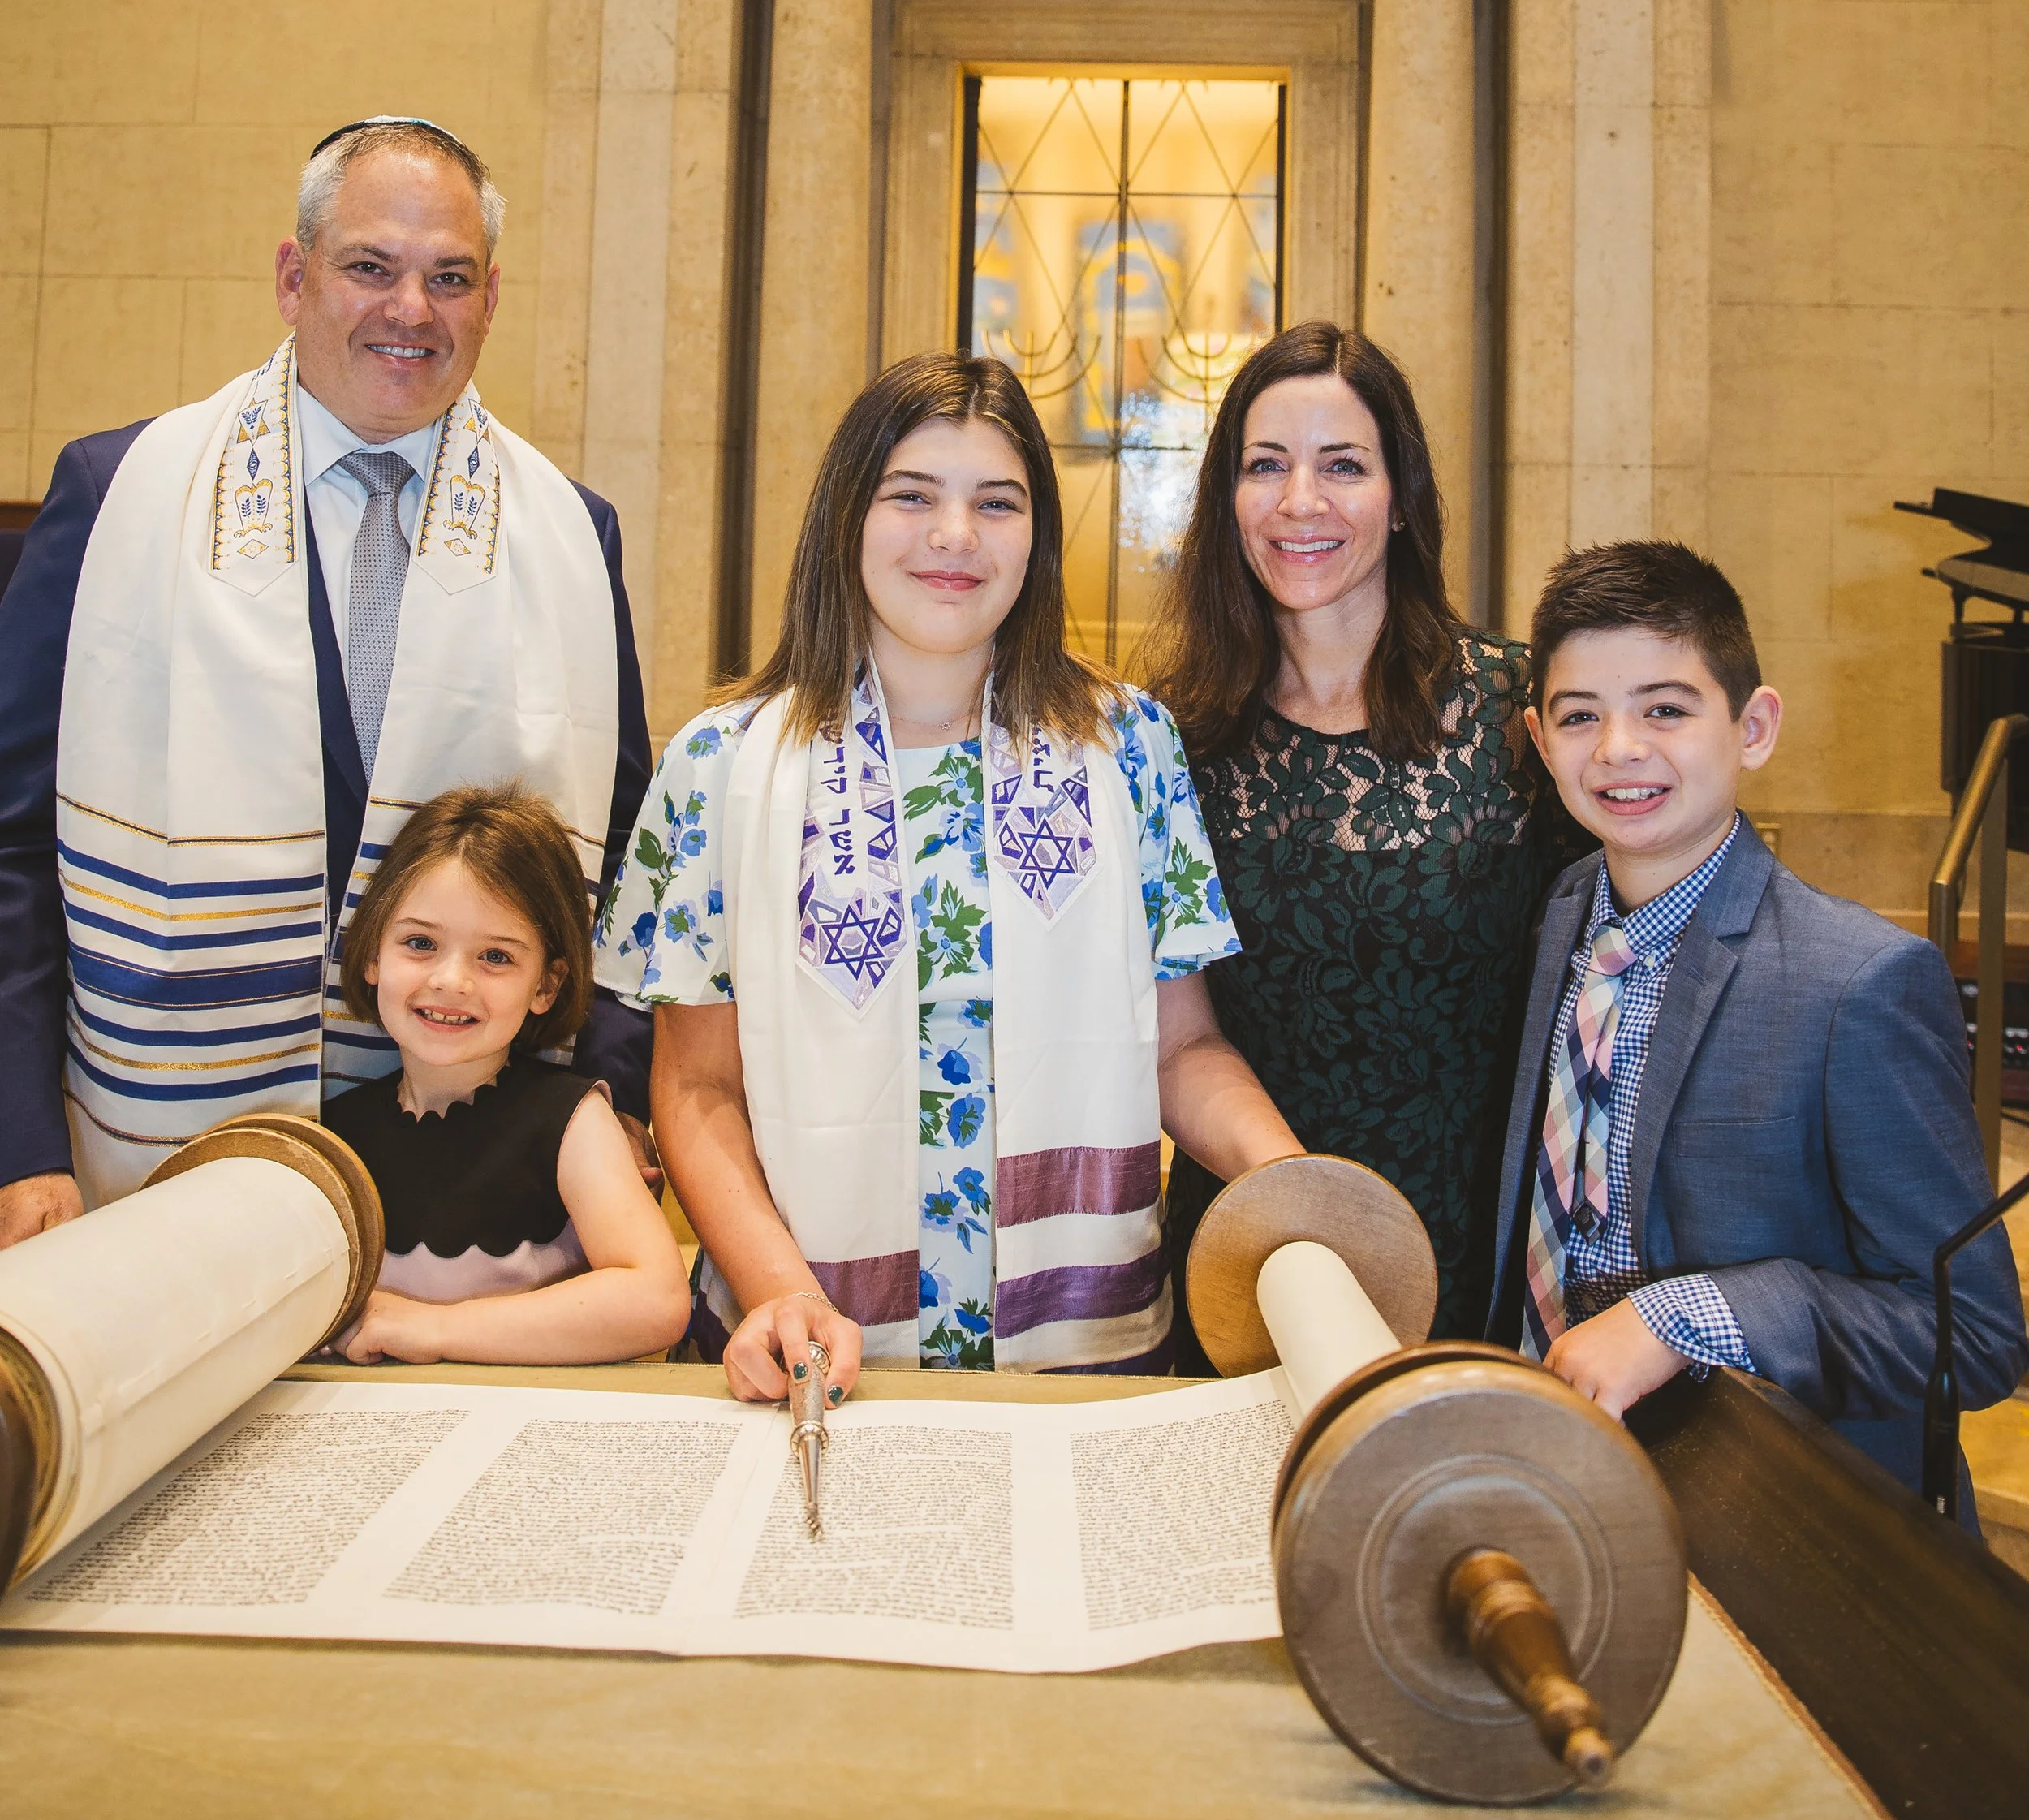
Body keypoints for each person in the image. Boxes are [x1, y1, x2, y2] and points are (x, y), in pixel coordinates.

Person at [593, 351, 1304, 1405]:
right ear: (848, 514)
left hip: (1082, 1355)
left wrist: (1292, 1183)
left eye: (997, 502)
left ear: (1038, 535)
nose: (955, 536)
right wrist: (783, 1294)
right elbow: (695, 1086)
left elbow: (1183, 1046)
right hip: (807, 1358)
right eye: (913, 495)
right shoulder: (720, 766)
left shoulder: (1129, 750)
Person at [0, 115, 653, 1240]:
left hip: (463, 1170)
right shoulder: (120, 494)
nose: (412, 309)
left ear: (490, 300)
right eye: (370, 267)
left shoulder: (568, 531)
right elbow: (12, 844)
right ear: (294, 275)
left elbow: (627, 852)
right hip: (150, 1149)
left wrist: (613, 1101)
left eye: (450, 277)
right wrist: (20, 1143)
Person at [1490, 537, 2027, 1515]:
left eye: (1665, 708)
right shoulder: (1565, 908)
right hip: (1560, 1475)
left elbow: (1973, 1336)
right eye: (1580, 716)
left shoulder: (1858, 982)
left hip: (1767, 1513)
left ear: (1753, 726)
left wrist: (1684, 1316)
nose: (1618, 748)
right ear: (1538, 735)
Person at [1145, 321, 1581, 1348]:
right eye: (1266, 467)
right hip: (1257, 1241)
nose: (1302, 502)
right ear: (1228, 503)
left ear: (1401, 500)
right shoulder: (1171, 739)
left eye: (1343, 465)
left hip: (1482, 1243)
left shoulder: (1522, 711)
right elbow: (1178, 1041)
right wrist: (1305, 1212)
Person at [326, 785, 691, 1366]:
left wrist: (435, 1329)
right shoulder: (332, 1134)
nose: (452, 981)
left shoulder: (573, 1122)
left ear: (545, 986)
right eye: (420, 943)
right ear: (372, 955)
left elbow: (658, 1300)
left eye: (495, 956)